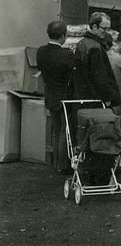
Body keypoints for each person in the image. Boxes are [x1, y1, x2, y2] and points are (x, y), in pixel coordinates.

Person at [37, 20, 74, 174]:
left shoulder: (41, 51)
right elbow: (72, 76)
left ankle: (56, 164)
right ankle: (63, 165)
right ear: (63, 36)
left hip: (50, 94)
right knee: (64, 131)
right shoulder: (67, 54)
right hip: (64, 96)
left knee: (55, 130)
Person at [73, 12, 121, 110]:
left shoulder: (81, 44)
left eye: (109, 29)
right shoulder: (95, 47)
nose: (107, 32)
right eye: (104, 29)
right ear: (94, 26)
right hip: (95, 99)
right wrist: (108, 97)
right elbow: (100, 76)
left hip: (83, 96)